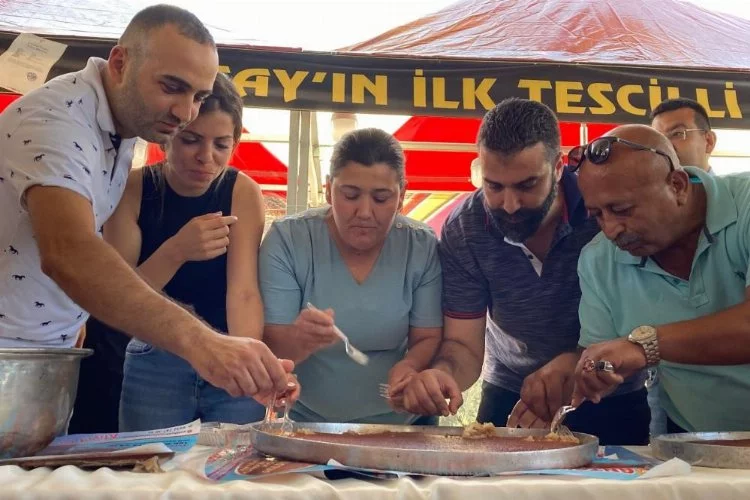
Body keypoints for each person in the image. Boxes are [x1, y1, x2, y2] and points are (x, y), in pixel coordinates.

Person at [0, 4, 294, 411]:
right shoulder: (58, 121)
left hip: (42, 357)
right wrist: (204, 344)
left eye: (199, 96)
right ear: (120, 62)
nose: (185, 111)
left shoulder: (119, 127)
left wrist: (69, 316)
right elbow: (70, 253)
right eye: (172, 86)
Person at [399, 98, 650, 445]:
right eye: (493, 186)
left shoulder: (604, 211)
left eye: (527, 185)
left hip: (614, 391)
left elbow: (643, 315)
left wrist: (578, 363)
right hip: (511, 391)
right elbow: (462, 343)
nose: (510, 204)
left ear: (559, 167)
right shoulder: (465, 229)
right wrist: (442, 375)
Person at [92, 73, 269, 430]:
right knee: (151, 471)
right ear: (168, 138)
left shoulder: (242, 192)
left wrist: (246, 358)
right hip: (156, 355)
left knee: (233, 479)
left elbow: (244, 292)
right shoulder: (134, 187)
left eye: (221, 145)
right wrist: (177, 250)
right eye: (191, 140)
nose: (206, 157)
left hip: (228, 349)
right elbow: (117, 297)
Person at [569, 124, 750, 433]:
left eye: (622, 209)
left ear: (678, 185)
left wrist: (645, 345)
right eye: (597, 215)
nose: (611, 229)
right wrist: (587, 372)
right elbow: (605, 358)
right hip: (696, 443)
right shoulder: (598, 259)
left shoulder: (744, 205)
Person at [258, 128, 443, 424]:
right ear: (329, 189)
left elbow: (428, 336)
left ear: (402, 196)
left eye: (381, 198)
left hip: (405, 426)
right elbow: (271, 345)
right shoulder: (289, 240)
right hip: (306, 423)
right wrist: (299, 339)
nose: (365, 212)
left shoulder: (420, 246)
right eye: (350, 195)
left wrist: (410, 365)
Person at [651, 98, 717, 174]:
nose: (664, 146)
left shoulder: (731, 185)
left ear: (709, 141)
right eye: (658, 138)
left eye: (677, 134)